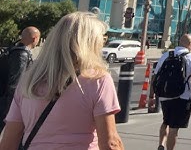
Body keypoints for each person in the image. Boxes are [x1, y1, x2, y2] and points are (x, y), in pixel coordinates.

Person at [0, 12, 123, 149]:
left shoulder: (28, 81)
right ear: (89, 43)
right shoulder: (97, 80)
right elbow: (110, 142)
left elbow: (9, 141)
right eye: (102, 39)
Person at [148, 34, 191, 150]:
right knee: (174, 127)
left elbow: (155, 76)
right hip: (182, 96)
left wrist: (151, 95)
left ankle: (161, 143)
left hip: (164, 95)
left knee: (165, 120)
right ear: (190, 45)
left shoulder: (166, 55)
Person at [0, 26, 40, 133]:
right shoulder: (21, 54)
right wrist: (12, 112)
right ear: (35, 38)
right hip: (6, 104)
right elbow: (15, 84)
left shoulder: (13, 50)